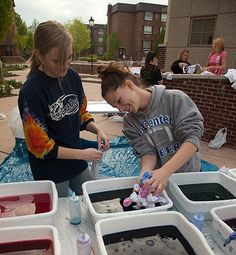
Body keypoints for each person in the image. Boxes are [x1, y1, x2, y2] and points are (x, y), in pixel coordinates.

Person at [18, 21, 109, 197]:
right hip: (49, 168)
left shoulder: (73, 77)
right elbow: (40, 147)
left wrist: (97, 130)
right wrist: (83, 154)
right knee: (60, 215)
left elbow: (81, 113)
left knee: (93, 200)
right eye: (56, 61)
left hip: (76, 160)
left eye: (69, 58)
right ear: (40, 55)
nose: (65, 66)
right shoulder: (30, 92)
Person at [97, 62, 204, 194]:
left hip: (189, 177)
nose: (120, 109)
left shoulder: (175, 99)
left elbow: (192, 140)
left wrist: (165, 171)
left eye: (119, 100)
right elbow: (147, 153)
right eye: (115, 107)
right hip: (160, 183)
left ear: (129, 85)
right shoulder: (129, 123)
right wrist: (143, 176)